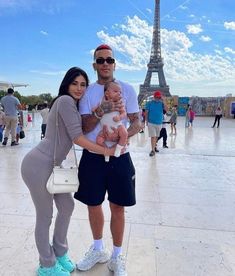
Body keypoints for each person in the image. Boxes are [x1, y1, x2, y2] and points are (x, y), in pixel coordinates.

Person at [21, 67, 117, 276]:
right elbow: (78, 137)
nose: (79, 88)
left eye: (83, 84)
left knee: (66, 206)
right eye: (75, 83)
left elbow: (82, 128)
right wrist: (107, 150)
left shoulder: (72, 105)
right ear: (66, 84)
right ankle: (46, 265)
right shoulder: (64, 101)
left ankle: (60, 253)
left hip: (53, 165)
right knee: (45, 216)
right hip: (38, 165)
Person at [74, 44, 141, 276]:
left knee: (118, 206)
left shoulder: (127, 90)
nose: (105, 64)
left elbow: (136, 122)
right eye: (100, 60)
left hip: (120, 157)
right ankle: (98, 248)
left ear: (114, 63)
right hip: (93, 156)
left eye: (109, 60)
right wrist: (99, 112)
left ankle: (116, 255)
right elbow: (84, 126)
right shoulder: (88, 92)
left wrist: (123, 137)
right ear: (94, 65)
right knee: (93, 205)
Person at [96, 80, 128, 162]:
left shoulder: (120, 103)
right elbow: (96, 110)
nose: (119, 94)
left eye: (120, 92)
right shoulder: (101, 102)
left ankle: (118, 148)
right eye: (115, 91)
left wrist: (120, 117)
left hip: (117, 126)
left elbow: (124, 113)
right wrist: (96, 110)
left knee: (124, 133)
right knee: (99, 140)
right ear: (107, 93)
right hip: (105, 129)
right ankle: (106, 150)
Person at [145, 90, 164, 156]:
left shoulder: (162, 103)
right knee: (153, 136)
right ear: (154, 97)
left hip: (159, 123)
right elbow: (146, 113)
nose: (157, 98)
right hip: (151, 122)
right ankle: (152, 150)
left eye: (159, 97)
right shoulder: (149, 103)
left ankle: (154, 146)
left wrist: (164, 101)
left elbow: (167, 110)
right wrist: (146, 121)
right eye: (156, 97)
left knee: (156, 136)